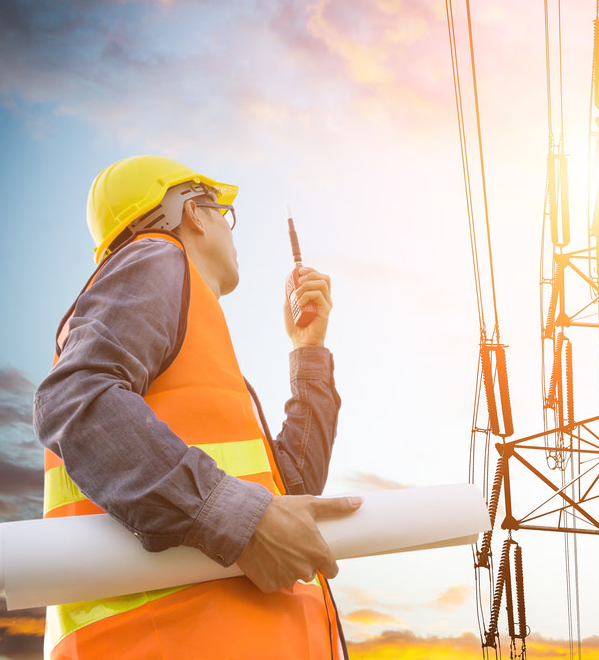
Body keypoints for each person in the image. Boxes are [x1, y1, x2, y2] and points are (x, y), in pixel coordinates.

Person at [34, 155, 358, 659]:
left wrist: (308, 349)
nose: (230, 234)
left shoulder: (193, 336)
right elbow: (76, 399)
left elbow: (289, 494)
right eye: (224, 216)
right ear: (194, 213)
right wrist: (236, 517)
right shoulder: (156, 257)